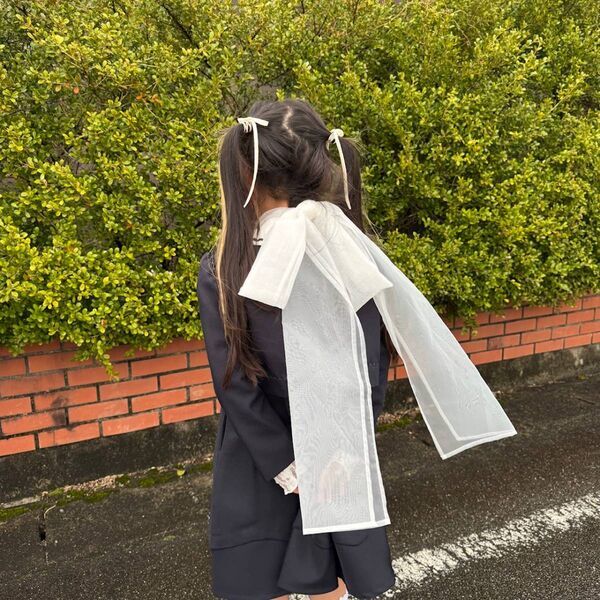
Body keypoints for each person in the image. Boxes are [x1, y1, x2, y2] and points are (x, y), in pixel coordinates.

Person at [196, 98, 398, 599]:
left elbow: (234, 383)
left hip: (257, 455)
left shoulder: (225, 263)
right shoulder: (349, 252)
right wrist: (344, 453)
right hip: (336, 452)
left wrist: (287, 466)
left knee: (262, 578)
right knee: (332, 577)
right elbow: (370, 365)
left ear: (244, 173)